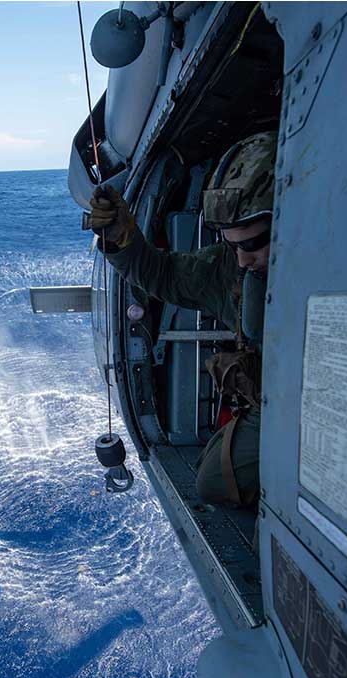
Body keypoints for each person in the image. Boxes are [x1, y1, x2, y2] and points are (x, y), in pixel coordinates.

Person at [87, 131, 277, 508]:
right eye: (232, 244)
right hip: (272, 405)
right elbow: (165, 275)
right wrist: (122, 241)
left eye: (253, 244)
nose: (241, 259)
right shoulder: (229, 270)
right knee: (214, 478)